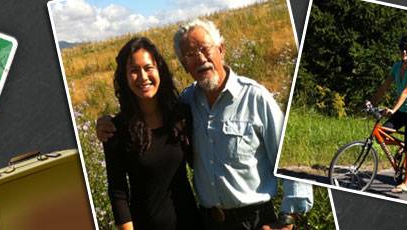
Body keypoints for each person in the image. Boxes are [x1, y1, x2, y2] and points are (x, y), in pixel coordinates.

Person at [98, 19, 313, 230]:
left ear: (221, 49)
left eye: (204, 48)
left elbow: (289, 159)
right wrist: (106, 123)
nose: (200, 58)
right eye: (190, 54)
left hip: (254, 221)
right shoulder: (186, 104)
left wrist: (287, 219)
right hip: (208, 222)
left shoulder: (255, 98)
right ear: (184, 65)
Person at [102, 37, 201, 230]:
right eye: (133, 71)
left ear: (159, 70)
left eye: (148, 68)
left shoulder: (181, 116)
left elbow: (200, 164)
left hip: (192, 223)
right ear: (124, 77)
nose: (143, 77)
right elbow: (118, 193)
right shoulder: (116, 129)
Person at [368, 35, 407, 193]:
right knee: (382, 135)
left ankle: (405, 183)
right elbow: (385, 85)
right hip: (400, 112)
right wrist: (372, 102)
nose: (404, 51)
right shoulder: (397, 66)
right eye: (402, 49)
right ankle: (403, 145)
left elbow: (405, 92)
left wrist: (393, 109)